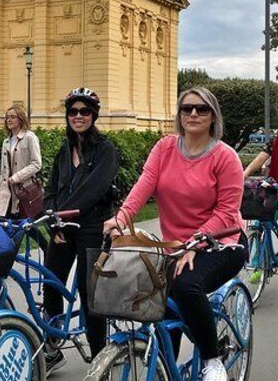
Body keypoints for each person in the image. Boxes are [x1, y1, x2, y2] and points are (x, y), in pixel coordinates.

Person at [104, 87, 245, 381]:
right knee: (160, 305)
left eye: (202, 109)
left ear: (212, 116)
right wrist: (121, 218)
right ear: (179, 115)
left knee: (184, 287)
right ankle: (168, 369)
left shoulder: (225, 157)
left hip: (222, 243)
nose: (193, 114)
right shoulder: (165, 148)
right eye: (187, 108)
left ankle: (212, 359)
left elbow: (227, 210)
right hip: (175, 246)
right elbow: (144, 186)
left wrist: (197, 241)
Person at [43, 87, 118, 373]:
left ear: (93, 115)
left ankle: (101, 359)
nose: (78, 116)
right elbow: (51, 188)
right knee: (51, 283)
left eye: (84, 111)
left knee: (91, 294)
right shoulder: (65, 149)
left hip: (91, 226)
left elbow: (93, 190)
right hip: (63, 227)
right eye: (73, 111)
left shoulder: (105, 149)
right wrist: (53, 218)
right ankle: (52, 347)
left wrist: (62, 216)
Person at [0, 105, 47, 250]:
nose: (9, 120)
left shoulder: (29, 137)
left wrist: (16, 177)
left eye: (12, 117)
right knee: (7, 226)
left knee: (25, 225)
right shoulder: (6, 141)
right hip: (7, 194)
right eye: (7, 117)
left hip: (24, 191)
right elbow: (3, 173)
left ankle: (46, 249)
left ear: (21, 119)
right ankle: (5, 259)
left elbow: (36, 164)